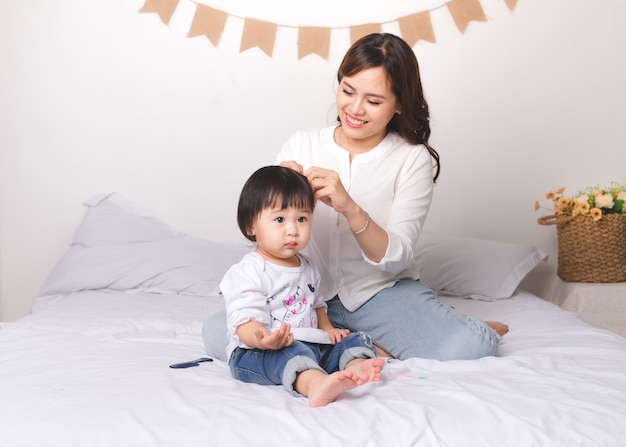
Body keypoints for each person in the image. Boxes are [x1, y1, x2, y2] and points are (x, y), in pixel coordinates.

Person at [203, 32, 507, 363]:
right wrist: (283, 193)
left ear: (400, 104)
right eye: (347, 91)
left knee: (470, 347)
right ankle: (360, 345)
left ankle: (432, 329)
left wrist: (350, 207)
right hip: (303, 294)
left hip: (381, 293)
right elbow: (267, 230)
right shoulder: (302, 144)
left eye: (374, 101)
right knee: (220, 334)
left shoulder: (411, 158)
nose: (355, 109)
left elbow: (398, 255)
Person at [220, 165, 384, 407]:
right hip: (257, 352)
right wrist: (263, 339)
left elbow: (315, 304)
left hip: (309, 343)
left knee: (352, 338)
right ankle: (314, 384)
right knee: (289, 354)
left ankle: (355, 364)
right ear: (251, 226)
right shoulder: (250, 270)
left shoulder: (307, 266)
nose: (293, 230)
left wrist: (328, 330)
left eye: (302, 218)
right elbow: (244, 320)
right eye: (279, 219)